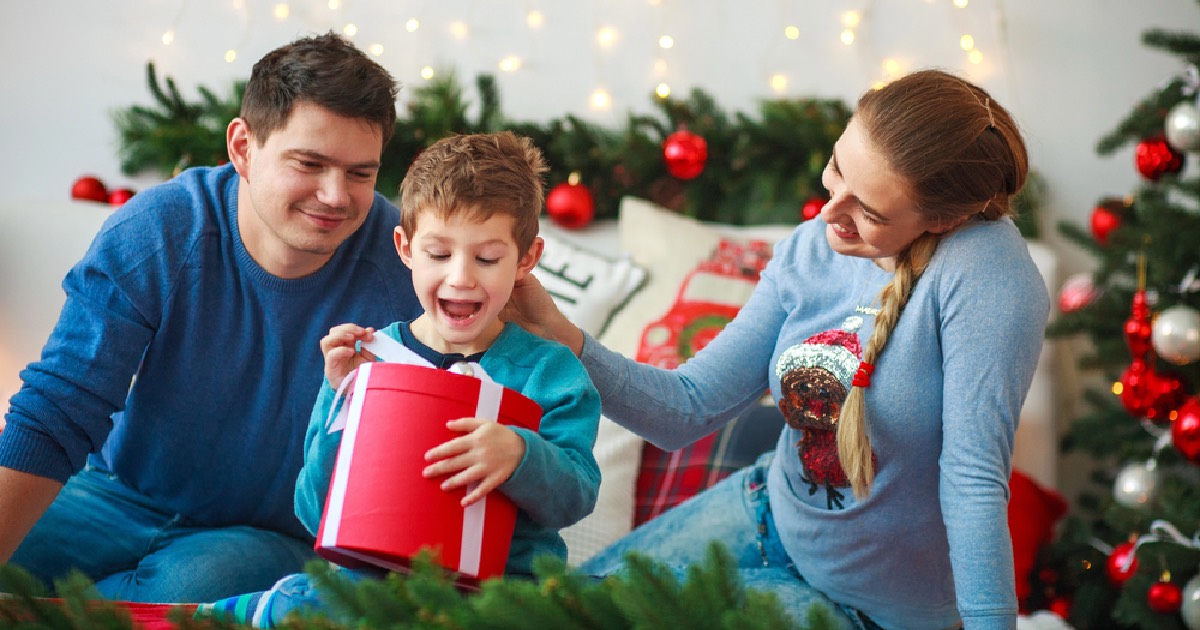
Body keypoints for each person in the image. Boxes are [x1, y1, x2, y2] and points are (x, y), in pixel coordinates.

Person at [505, 69, 1050, 629]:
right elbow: (689, 407)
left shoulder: (989, 281)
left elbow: (973, 480)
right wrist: (563, 337)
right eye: (837, 169)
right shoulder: (813, 248)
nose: (829, 214)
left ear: (945, 219)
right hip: (767, 512)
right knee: (566, 616)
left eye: (870, 211)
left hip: (869, 608)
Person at [0, 32, 423, 602]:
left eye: (360, 174)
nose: (335, 196)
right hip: (112, 497)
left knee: (190, 586)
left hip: (264, 537)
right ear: (243, 147)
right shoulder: (160, 229)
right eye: (310, 163)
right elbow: (59, 409)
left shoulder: (407, 266)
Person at [198, 131, 602, 627]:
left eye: (487, 259)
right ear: (405, 248)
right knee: (315, 601)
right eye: (439, 254)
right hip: (375, 585)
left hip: (497, 596)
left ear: (525, 259)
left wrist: (520, 455)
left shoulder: (550, 372)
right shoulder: (373, 359)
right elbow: (313, 509)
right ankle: (252, 610)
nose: (460, 278)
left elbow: (576, 496)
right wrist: (341, 398)